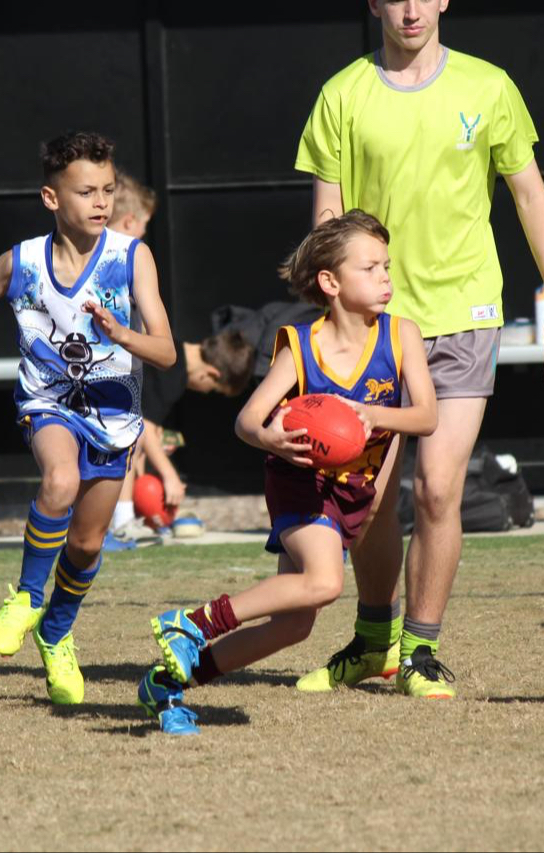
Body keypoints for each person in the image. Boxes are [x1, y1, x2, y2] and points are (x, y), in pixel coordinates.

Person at [292, 0, 544, 698]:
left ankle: (421, 651)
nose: (410, 9)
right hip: (375, 325)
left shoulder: (489, 86)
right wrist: (335, 314)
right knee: (369, 498)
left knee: (437, 488)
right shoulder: (341, 95)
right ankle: (374, 640)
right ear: (374, 4)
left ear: (444, 1)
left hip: (465, 313)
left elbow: (529, 194)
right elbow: (328, 218)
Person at [137, 209, 437, 735]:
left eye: (387, 267)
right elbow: (246, 420)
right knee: (324, 582)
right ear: (331, 282)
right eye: (370, 268)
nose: (386, 277)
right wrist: (270, 437)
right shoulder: (300, 345)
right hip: (301, 482)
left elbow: (427, 417)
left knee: (294, 625)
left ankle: (167, 683)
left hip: (354, 492)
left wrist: (374, 416)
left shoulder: (401, 336)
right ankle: (192, 623)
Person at [0, 131, 176, 704]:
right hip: (48, 404)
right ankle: (26, 599)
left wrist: (122, 334)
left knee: (87, 543)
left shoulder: (131, 258)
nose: (101, 202)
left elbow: (167, 351)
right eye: (86, 192)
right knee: (60, 480)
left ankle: (55, 633)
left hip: (114, 416)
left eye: (107, 189)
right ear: (52, 198)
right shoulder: (21, 263)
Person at [105, 173, 255, 547]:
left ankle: (126, 517)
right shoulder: (172, 369)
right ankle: (121, 522)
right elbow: (143, 427)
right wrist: (170, 475)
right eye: (143, 227)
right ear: (212, 373)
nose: (144, 236)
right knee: (129, 434)